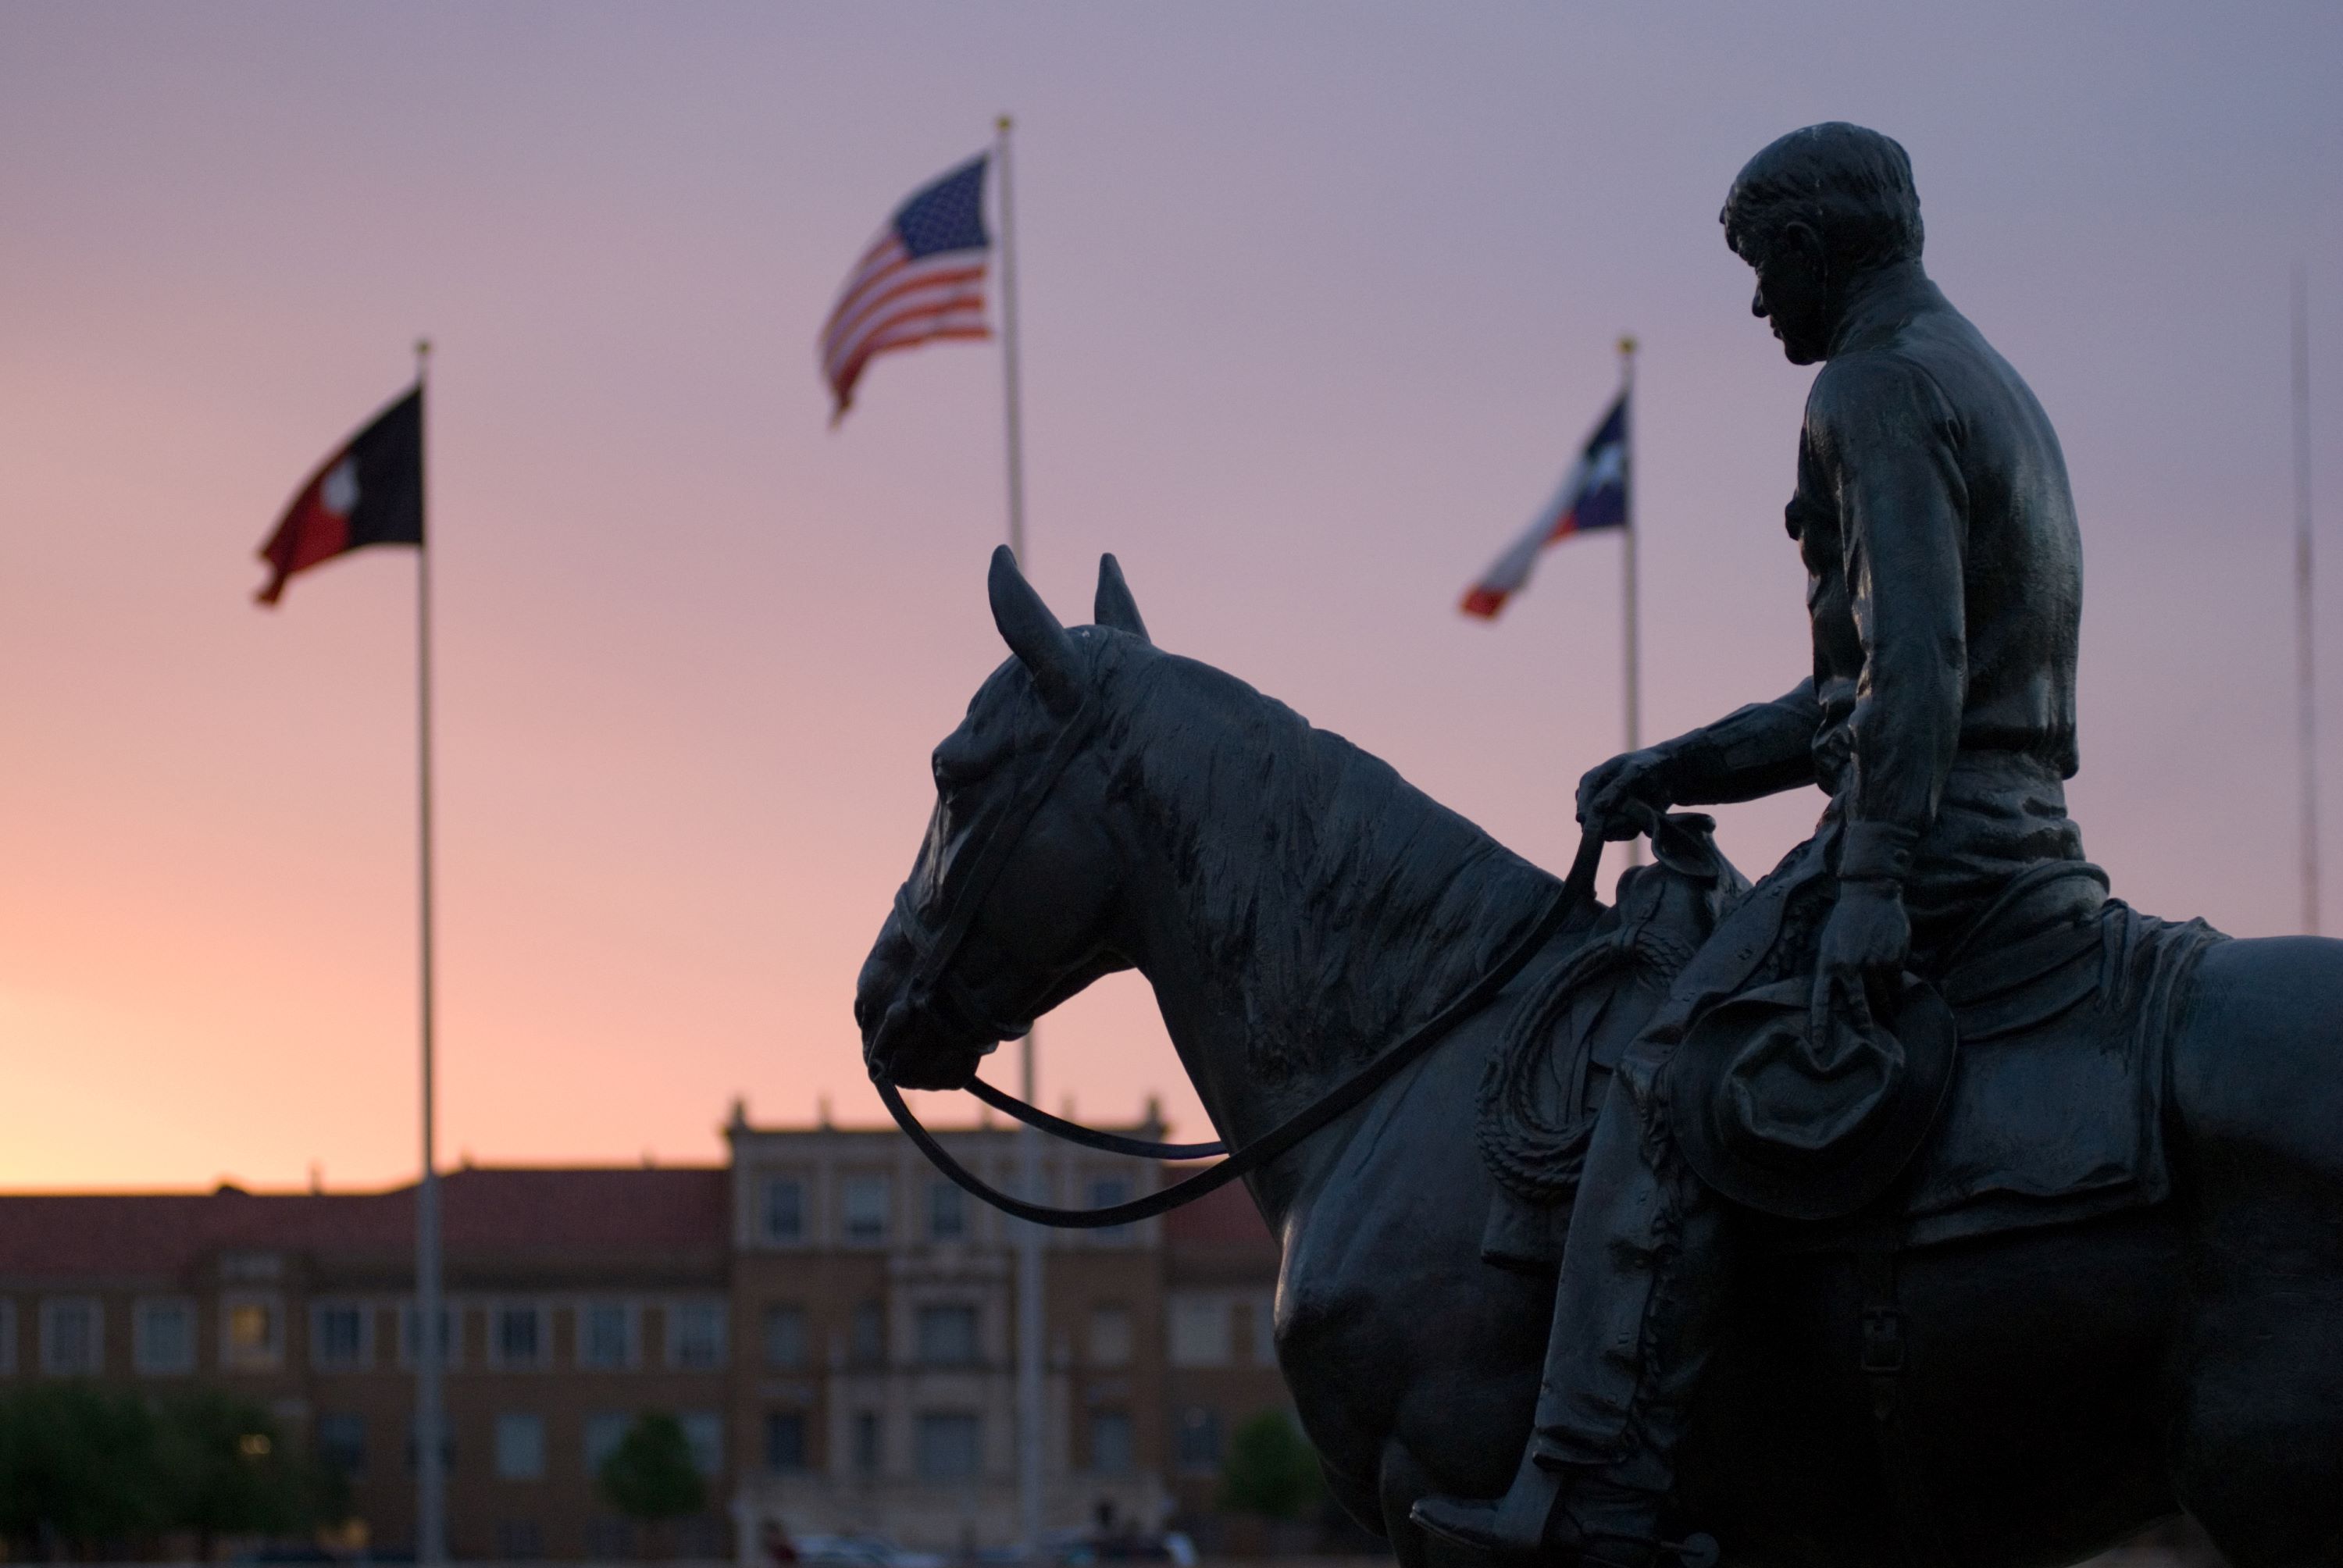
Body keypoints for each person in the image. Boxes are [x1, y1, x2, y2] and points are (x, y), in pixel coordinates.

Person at [1412, 121, 2088, 1563]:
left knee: (1659, 1076)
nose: (1757, 304)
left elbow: (1914, 674)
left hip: (1947, 836)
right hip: (2026, 821)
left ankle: (1593, 1497)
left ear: (1810, 243)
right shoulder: (1982, 375)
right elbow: (1857, 694)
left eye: (1759, 264)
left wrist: (1870, 884)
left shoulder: (1875, 386)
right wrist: (1678, 761)